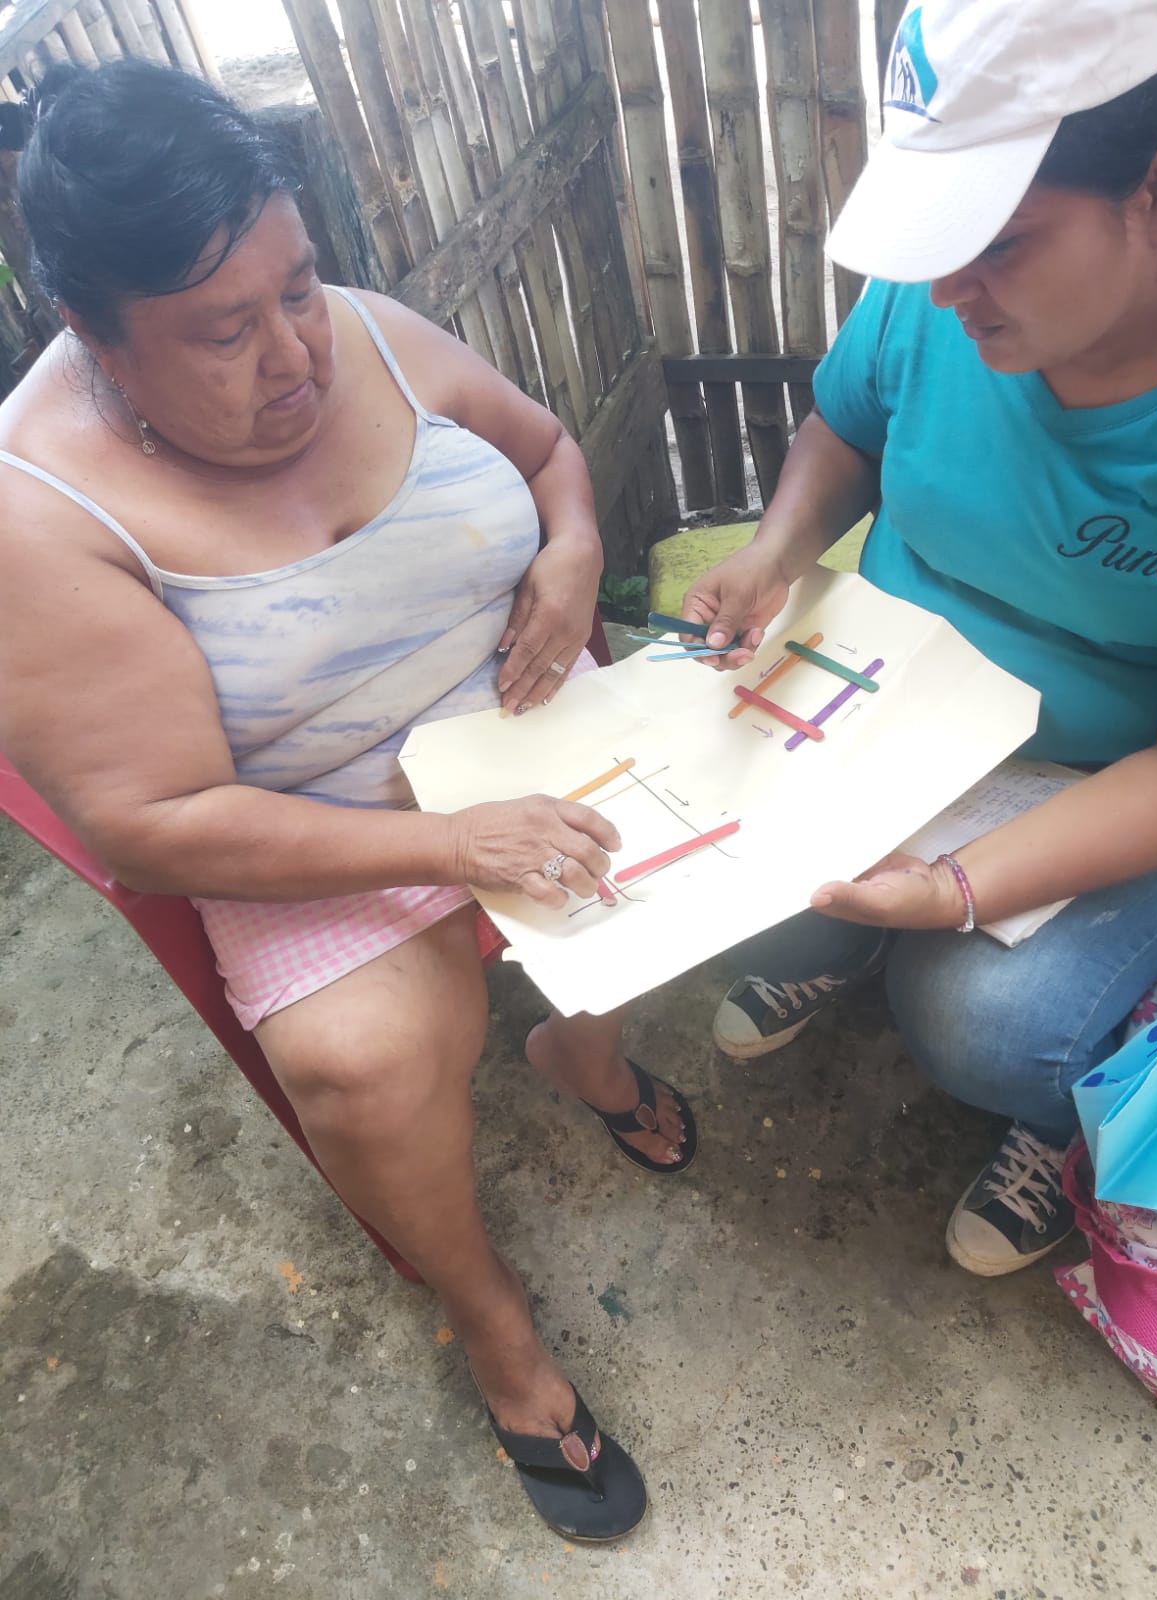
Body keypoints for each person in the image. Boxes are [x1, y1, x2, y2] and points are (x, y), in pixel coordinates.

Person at [0, 60, 699, 1542]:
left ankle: (583, 1053)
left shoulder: (371, 333)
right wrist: (447, 843)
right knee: (368, 1065)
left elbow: (547, 450)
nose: (294, 357)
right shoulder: (40, 513)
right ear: (93, 333)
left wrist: (572, 548)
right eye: (224, 331)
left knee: (677, 859)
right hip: (314, 825)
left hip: (521, 729)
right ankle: (493, 1325)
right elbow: (148, 821)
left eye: (299, 287)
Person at [681, 0, 1157, 1278]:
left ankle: (1062, 1113)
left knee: (983, 1019)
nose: (947, 288)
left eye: (1000, 243)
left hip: (1105, 776)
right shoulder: (940, 305)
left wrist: (956, 890)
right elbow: (844, 428)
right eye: (939, 240)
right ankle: (852, 929)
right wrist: (775, 553)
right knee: (708, 871)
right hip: (883, 699)